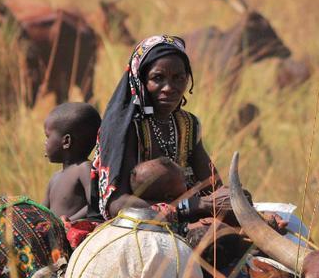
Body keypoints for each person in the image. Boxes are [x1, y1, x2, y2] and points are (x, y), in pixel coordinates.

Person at [90, 34, 233, 223]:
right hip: (132, 225)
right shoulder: (124, 128)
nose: (169, 87)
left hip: (184, 218)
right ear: (140, 80)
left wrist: (231, 200)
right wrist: (194, 206)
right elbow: (116, 204)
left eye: (178, 78)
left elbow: (213, 187)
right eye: (158, 78)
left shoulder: (187, 124)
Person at [43, 102, 101, 221]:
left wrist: (70, 221)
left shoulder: (84, 168)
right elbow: (43, 210)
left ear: (66, 142)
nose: (45, 143)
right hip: (56, 233)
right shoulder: (55, 177)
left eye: (48, 137)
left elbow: (95, 204)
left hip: (76, 234)